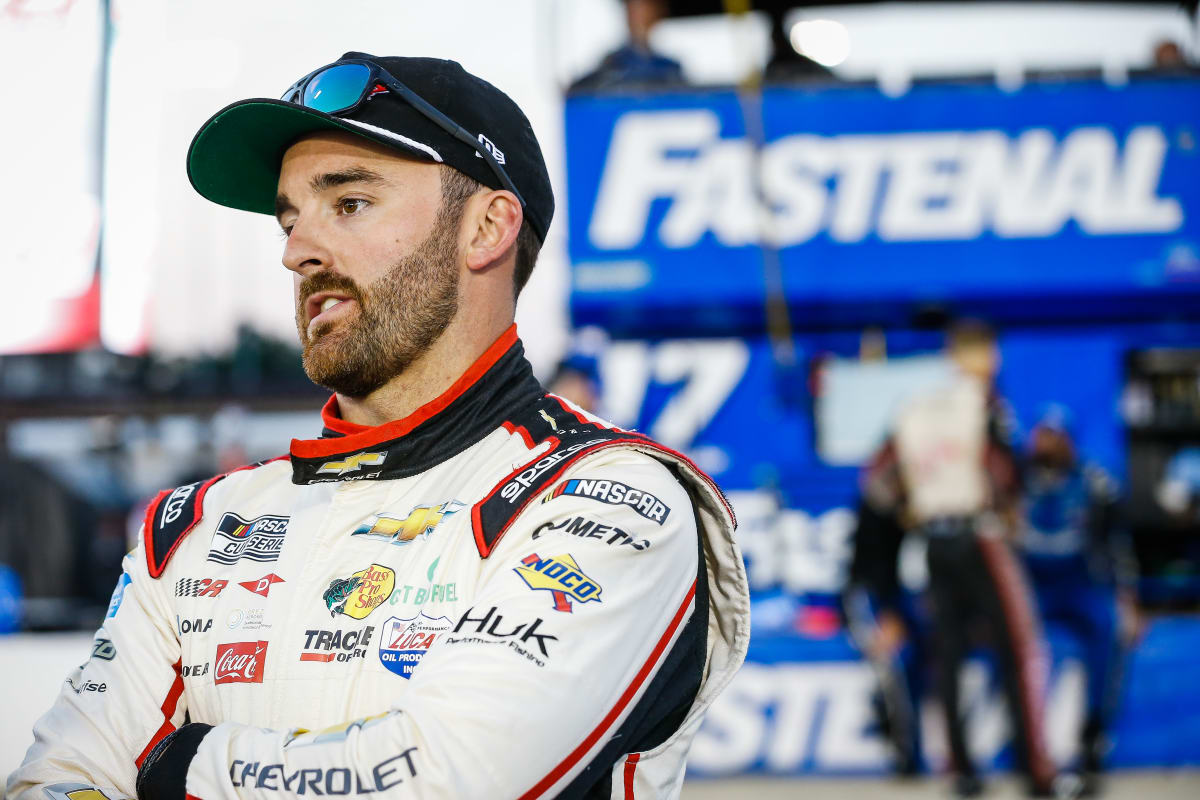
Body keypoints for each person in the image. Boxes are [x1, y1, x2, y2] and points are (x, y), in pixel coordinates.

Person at [9, 52, 749, 800]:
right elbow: (55, 780)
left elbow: (450, 781)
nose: (300, 250)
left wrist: (178, 768)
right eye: (290, 219)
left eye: (349, 203)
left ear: (488, 227)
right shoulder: (196, 526)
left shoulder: (611, 497)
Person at [866, 321, 1056, 797]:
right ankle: (1035, 772)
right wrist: (1006, 508)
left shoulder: (914, 409)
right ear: (981, 355)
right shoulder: (986, 404)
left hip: (934, 540)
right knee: (1020, 650)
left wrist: (915, 504)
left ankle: (962, 771)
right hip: (980, 536)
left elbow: (877, 482)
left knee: (948, 657)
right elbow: (1007, 474)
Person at [1019, 405, 1137, 795]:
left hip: (1080, 583)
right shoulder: (1015, 480)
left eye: (1056, 436)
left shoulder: (1094, 481)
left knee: (1108, 633)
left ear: (1069, 440)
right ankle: (1033, 752)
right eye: (1042, 435)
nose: (1047, 444)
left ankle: (1092, 738)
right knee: (1022, 652)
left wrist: (1128, 600)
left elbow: (1117, 544)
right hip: (1033, 587)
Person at [568, 0, 685, 92]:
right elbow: (585, 91)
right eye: (634, 9)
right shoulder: (613, 64)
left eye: (646, 9)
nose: (640, 15)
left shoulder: (670, 69)